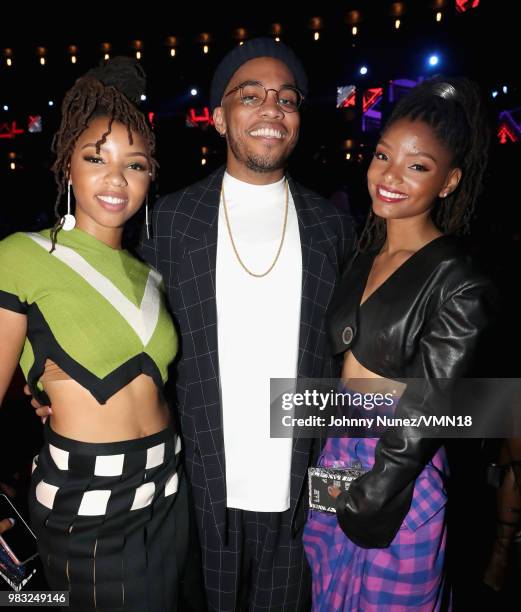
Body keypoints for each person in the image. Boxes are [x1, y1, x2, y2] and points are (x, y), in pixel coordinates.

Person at [138, 38, 354, 611]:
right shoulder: (170, 219)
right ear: (218, 117)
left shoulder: (331, 225)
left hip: (301, 486)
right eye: (251, 95)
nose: (272, 108)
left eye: (286, 98)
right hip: (200, 486)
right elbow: (141, 345)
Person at [0, 57, 187, 610]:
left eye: (135, 164)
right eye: (95, 159)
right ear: (67, 169)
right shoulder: (22, 256)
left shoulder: (149, 272)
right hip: (86, 496)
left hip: (168, 485)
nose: (115, 179)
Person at [303, 76, 496, 610]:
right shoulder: (364, 257)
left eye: (418, 166)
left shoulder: (458, 277)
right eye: (384, 155)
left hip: (399, 473)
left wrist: (378, 486)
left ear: (450, 181)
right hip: (338, 452)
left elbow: (429, 405)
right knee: (325, 591)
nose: (391, 176)